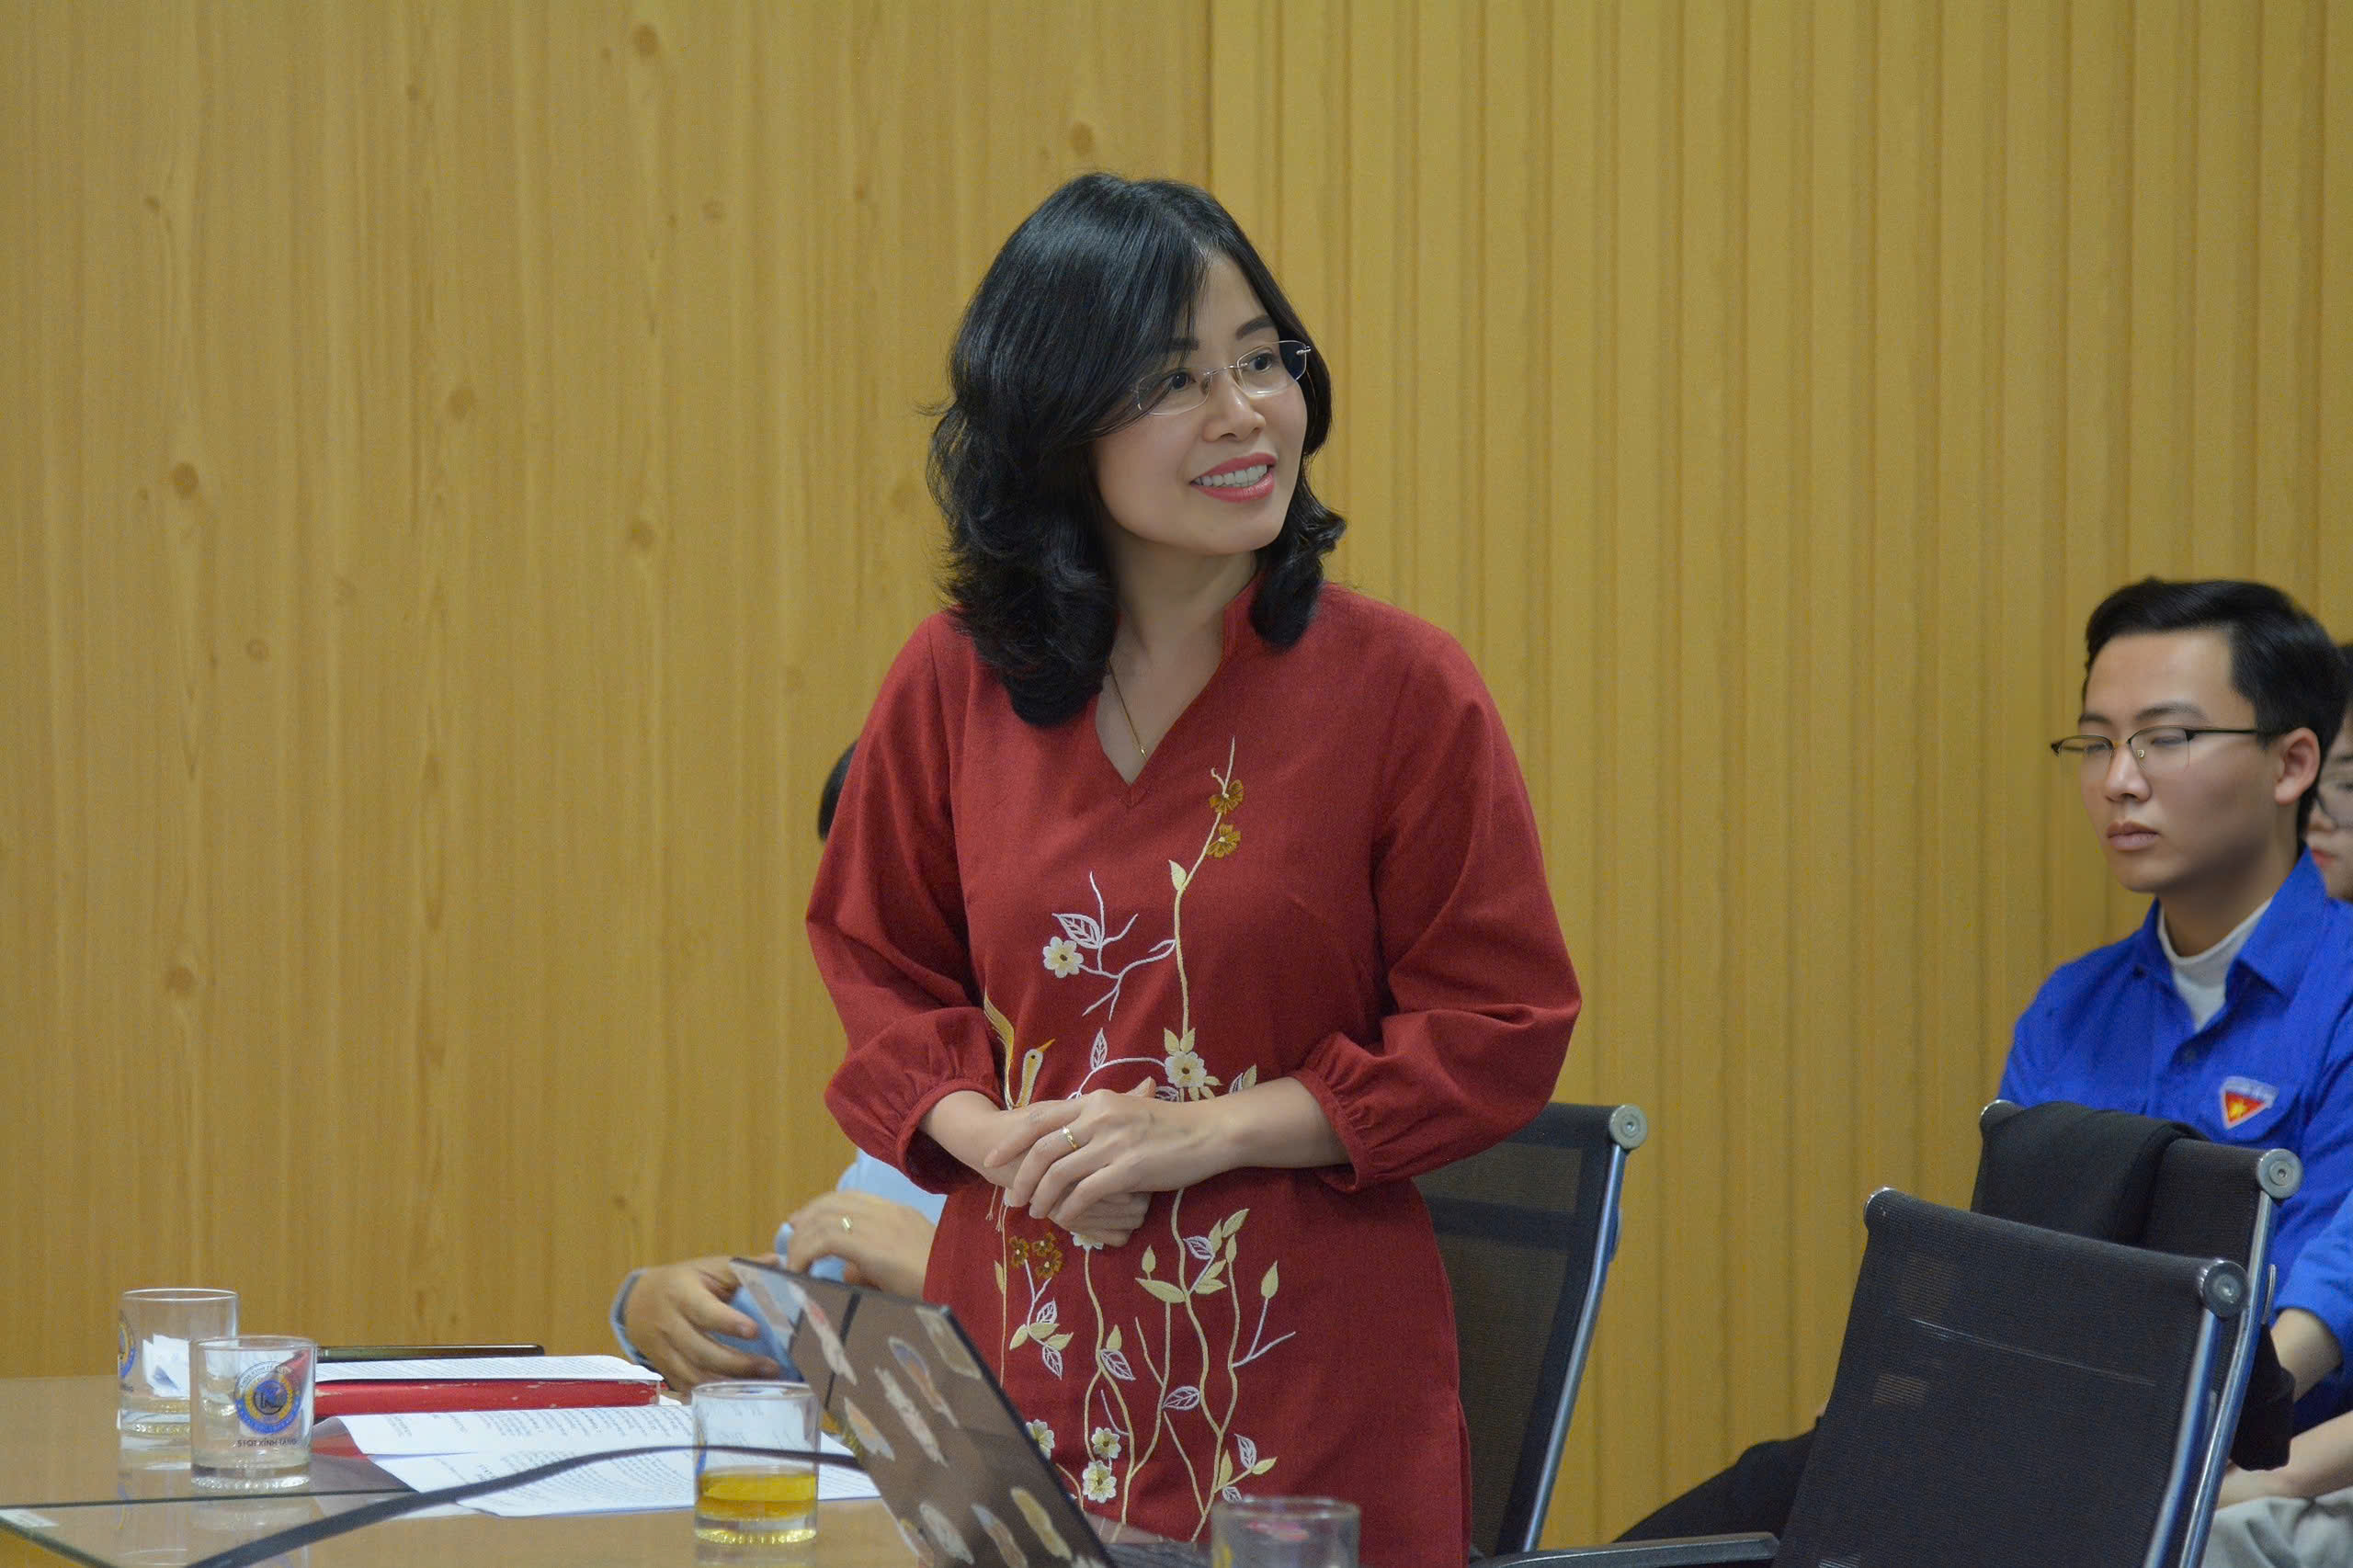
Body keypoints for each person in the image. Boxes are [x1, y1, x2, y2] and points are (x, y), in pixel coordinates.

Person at [807, 173, 1580, 1562]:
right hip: (1021, 1354)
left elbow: (1498, 1023)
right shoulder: (953, 680)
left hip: (1305, 1388)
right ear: (1056, 426)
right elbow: (877, 957)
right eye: (1175, 380)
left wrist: (1207, 1130)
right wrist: (1000, 1139)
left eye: (1262, 359)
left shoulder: (1403, 688)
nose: (1243, 411)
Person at [1623, 577, 2353, 1542]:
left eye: (2167, 738)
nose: (2119, 781)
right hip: (2058, 1442)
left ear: (2291, 762)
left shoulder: (2340, 987)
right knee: (1774, 1493)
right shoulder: (2071, 1006)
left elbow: (2332, 1281)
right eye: (2095, 743)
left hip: (2260, 1468)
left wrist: (2189, 1445)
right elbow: (2012, 1268)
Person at [609, 744, 948, 1390]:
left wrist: (950, 1282)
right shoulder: (909, 1104)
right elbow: (797, 1342)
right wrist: (651, 1307)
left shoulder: (1113, 1095)